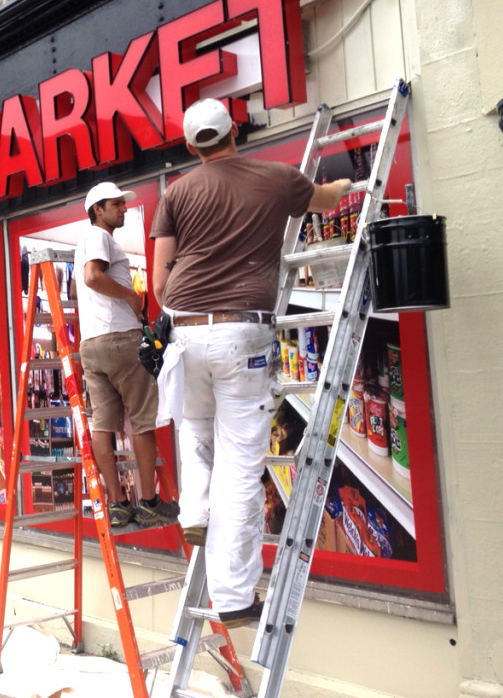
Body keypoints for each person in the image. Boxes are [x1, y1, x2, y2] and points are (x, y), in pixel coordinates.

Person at [150, 99, 346, 627]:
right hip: (243, 329)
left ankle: (193, 511)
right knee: (239, 463)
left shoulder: (178, 193)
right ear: (235, 131)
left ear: (192, 146)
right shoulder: (278, 178)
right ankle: (234, 597)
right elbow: (323, 199)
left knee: (195, 426)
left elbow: (158, 283)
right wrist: (347, 188)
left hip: (185, 330)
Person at [73, 181, 179, 529]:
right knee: (143, 420)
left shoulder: (90, 240)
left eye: (122, 203)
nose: (123, 208)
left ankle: (118, 504)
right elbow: (92, 277)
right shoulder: (99, 237)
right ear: (97, 210)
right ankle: (148, 501)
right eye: (115, 204)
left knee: (103, 424)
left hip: (92, 344)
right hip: (120, 338)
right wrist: (132, 298)